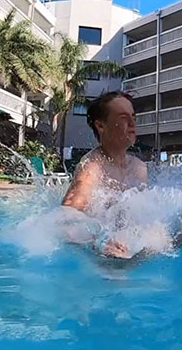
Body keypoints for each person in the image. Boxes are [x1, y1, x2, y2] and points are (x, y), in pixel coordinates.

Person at [62, 91, 148, 258]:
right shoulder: (93, 167)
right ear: (101, 126)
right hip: (98, 256)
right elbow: (67, 216)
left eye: (133, 117)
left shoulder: (139, 167)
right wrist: (100, 241)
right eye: (123, 118)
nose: (132, 124)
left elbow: (142, 218)